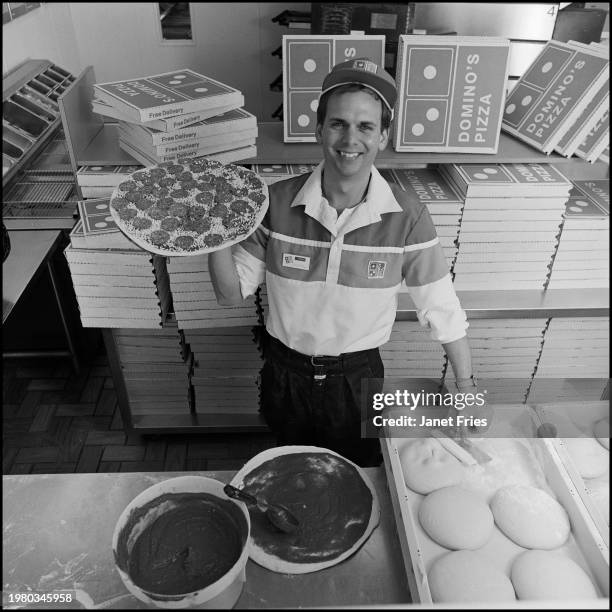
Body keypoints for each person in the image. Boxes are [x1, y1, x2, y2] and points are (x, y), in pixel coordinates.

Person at [209, 58, 480, 467]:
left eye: (366, 126)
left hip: (359, 381)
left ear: (383, 136)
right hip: (286, 373)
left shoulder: (407, 217)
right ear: (319, 129)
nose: (350, 138)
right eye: (338, 123)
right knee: (290, 469)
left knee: (360, 474)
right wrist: (213, 235)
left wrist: (464, 382)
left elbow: (441, 308)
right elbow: (230, 296)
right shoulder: (274, 204)